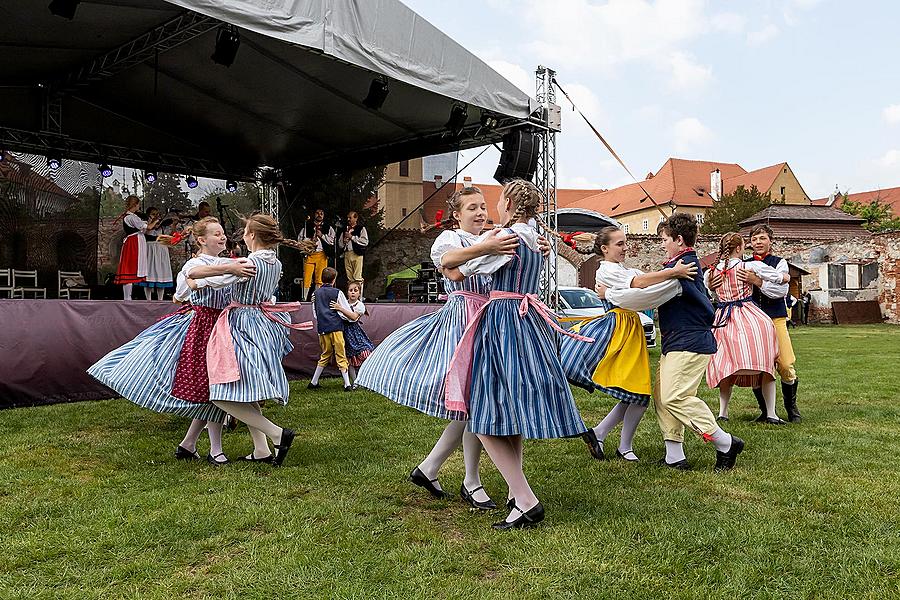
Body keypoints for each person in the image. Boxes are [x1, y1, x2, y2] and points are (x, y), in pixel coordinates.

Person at [356, 186, 527, 511]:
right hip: (462, 320)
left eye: (482, 207)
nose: (480, 213)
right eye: (472, 208)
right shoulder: (451, 239)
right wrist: (487, 246)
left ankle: (437, 470)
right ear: (456, 215)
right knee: (471, 401)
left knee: (473, 403)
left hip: (486, 319)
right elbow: (448, 262)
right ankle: (467, 480)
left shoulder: (490, 237)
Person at [443, 179, 593, 530]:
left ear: (509, 203)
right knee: (510, 408)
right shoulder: (534, 237)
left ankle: (525, 499)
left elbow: (453, 270)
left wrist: (478, 250)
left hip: (502, 321)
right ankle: (515, 496)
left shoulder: (504, 239)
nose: (492, 209)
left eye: (497, 202)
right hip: (527, 321)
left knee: (483, 411)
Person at [88, 216, 256, 464]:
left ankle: (188, 445)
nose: (222, 237)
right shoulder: (195, 263)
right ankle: (215, 450)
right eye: (216, 233)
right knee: (213, 387)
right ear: (201, 240)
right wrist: (224, 272)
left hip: (221, 326)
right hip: (203, 328)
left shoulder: (225, 262)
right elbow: (184, 288)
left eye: (222, 233)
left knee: (214, 388)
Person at [604, 213, 744, 472]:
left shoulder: (684, 269)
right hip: (678, 341)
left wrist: (608, 293)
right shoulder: (681, 264)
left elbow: (644, 299)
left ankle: (725, 442)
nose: (662, 244)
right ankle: (674, 455)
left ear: (679, 240)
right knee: (662, 396)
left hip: (689, 342)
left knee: (675, 396)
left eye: (666, 239)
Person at [562, 226, 696, 462]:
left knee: (635, 393)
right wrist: (674, 272)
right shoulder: (607, 270)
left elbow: (645, 282)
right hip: (619, 329)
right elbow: (640, 282)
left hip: (630, 329)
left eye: (625, 243)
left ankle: (604, 435)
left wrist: (670, 276)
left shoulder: (620, 269)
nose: (625, 248)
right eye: (620, 244)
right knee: (638, 392)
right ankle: (620, 444)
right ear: (604, 249)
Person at [199, 214, 313, 466]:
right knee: (247, 390)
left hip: (242, 323)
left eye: (245, 232)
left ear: (252, 236)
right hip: (262, 323)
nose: (243, 236)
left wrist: (195, 273)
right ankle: (261, 449)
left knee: (219, 393)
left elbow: (208, 278)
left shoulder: (249, 263)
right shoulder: (275, 263)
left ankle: (276, 433)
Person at [705, 232, 784, 424]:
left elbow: (707, 290)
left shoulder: (711, 272)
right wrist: (786, 277)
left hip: (723, 318)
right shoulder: (749, 265)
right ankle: (772, 413)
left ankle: (723, 412)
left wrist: (711, 286)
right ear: (739, 248)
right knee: (766, 366)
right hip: (748, 315)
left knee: (725, 366)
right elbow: (778, 278)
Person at [747, 224, 801, 423]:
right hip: (753, 320)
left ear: (770, 240)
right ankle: (766, 411)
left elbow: (780, 291)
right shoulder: (745, 263)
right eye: (754, 239)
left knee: (785, 363)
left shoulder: (780, 263)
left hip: (776, 317)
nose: (758, 242)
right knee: (758, 367)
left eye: (762, 238)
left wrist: (759, 281)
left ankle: (791, 407)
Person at [308, 267, 354, 391]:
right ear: (334, 280)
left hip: (322, 328)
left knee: (325, 354)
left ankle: (314, 381)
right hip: (336, 328)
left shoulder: (315, 294)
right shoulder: (337, 293)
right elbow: (345, 310)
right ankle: (347, 384)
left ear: (321, 279)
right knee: (340, 354)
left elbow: (315, 313)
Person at [113, 195, 155, 300]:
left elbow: (144, 228)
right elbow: (148, 227)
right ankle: (127, 298)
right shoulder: (131, 217)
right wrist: (156, 220)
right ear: (135, 205)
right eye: (138, 204)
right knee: (130, 268)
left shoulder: (131, 216)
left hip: (136, 241)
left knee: (131, 268)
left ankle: (128, 297)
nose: (139, 207)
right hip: (134, 243)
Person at [138, 206, 175, 301]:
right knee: (150, 272)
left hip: (161, 249)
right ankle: (148, 300)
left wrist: (173, 225)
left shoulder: (162, 226)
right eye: (153, 214)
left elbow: (170, 237)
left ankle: (160, 299)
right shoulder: (145, 224)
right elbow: (147, 231)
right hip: (150, 248)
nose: (156, 216)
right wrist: (154, 222)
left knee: (161, 271)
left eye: (157, 214)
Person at [298, 208, 336, 301]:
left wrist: (322, 236)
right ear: (314, 214)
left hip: (321, 254)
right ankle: (304, 297)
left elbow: (332, 241)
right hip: (310, 254)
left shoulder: (328, 227)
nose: (319, 215)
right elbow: (300, 239)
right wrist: (310, 241)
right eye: (317, 213)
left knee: (320, 278)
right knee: (306, 276)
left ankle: (316, 298)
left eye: (321, 213)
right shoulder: (307, 226)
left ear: (324, 216)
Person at [342, 281, 373, 387]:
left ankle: (366, 379)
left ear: (359, 293)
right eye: (351, 290)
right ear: (347, 292)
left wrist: (341, 309)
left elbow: (353, 317)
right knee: (349, 358)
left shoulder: (359, 305)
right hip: (345, 333)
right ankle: (355, 381)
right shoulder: (344, 303)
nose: (353, 293)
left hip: (355, 332)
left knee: (365, 353)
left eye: (355, 290)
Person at [339, 211, 368, 291]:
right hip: (347, 253)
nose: (348, 219)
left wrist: (352, 237)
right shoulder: (345, 229)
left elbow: (365, 241)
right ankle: (351, 295)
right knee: (350, 276)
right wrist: (343, 241)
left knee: (357, 276)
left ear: (356, 218)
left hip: (357, 254)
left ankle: (359, 296)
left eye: (350, 217)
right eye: (348, 217)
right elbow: (340, 244)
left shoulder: (361, 228)